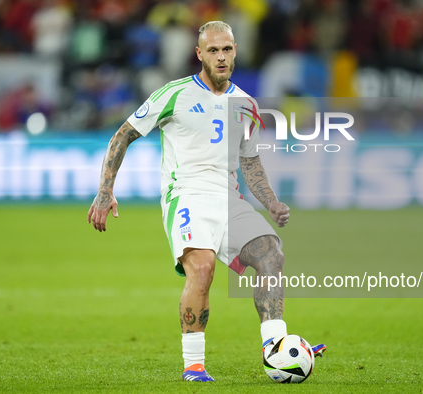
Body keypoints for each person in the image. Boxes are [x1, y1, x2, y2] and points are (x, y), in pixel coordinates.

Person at [87, 21, 326, 382]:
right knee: (202, 269)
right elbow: (123, 135)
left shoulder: (246, 104)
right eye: (212, 50)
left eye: (227, 49)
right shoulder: (174, 93)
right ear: (199, 54)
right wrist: (105, 190)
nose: (221, 57)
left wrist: (272, 202)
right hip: (186, 195)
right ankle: (194, 365)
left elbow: (250, 160)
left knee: (270, 253)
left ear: (235, 52)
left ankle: (274, 346)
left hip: (229, 199)